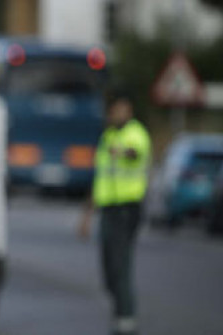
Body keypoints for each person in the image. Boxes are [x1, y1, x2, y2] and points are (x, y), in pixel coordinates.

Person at [78, 88, 151, 335]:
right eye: (112, 110)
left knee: (120, 265)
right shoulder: (108, 136)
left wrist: (121, 151)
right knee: (109, 268)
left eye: (119, 109)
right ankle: (121, 313)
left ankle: (126, 320)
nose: (114, 114)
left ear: (128, 110)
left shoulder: (135, 133)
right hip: (108, 209)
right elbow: (100, 178)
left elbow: (134, 153)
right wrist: (87, 215)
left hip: (127, 209)